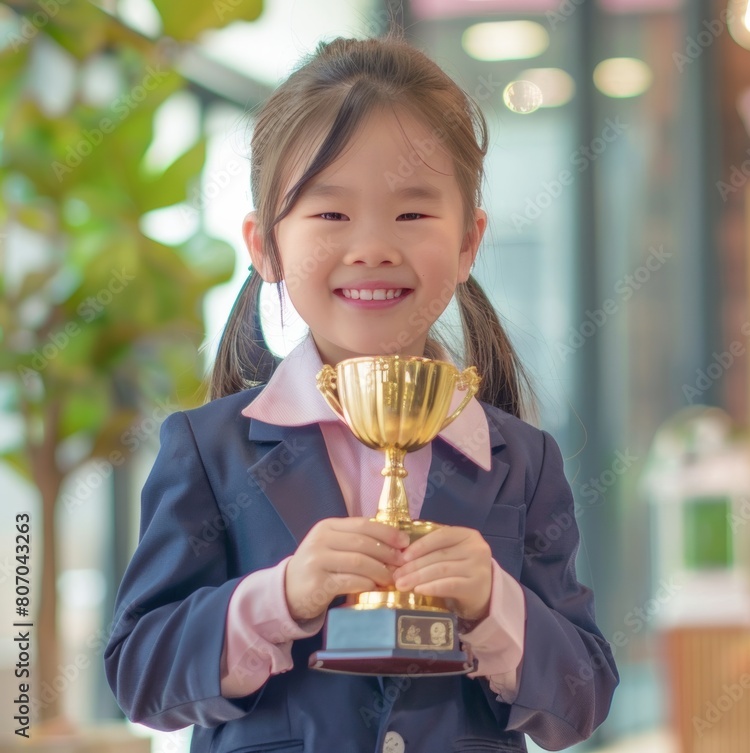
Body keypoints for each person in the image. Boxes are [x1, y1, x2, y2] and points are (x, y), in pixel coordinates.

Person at [104, 35, 618, 753]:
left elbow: (582, 700)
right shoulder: (209, 448)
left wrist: (496, 603)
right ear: (266, 247)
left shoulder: (521, 459)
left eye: (412, 214)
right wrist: (280, 597)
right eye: (330, 214)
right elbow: (139, 673)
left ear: (470, 242)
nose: (372, 246)